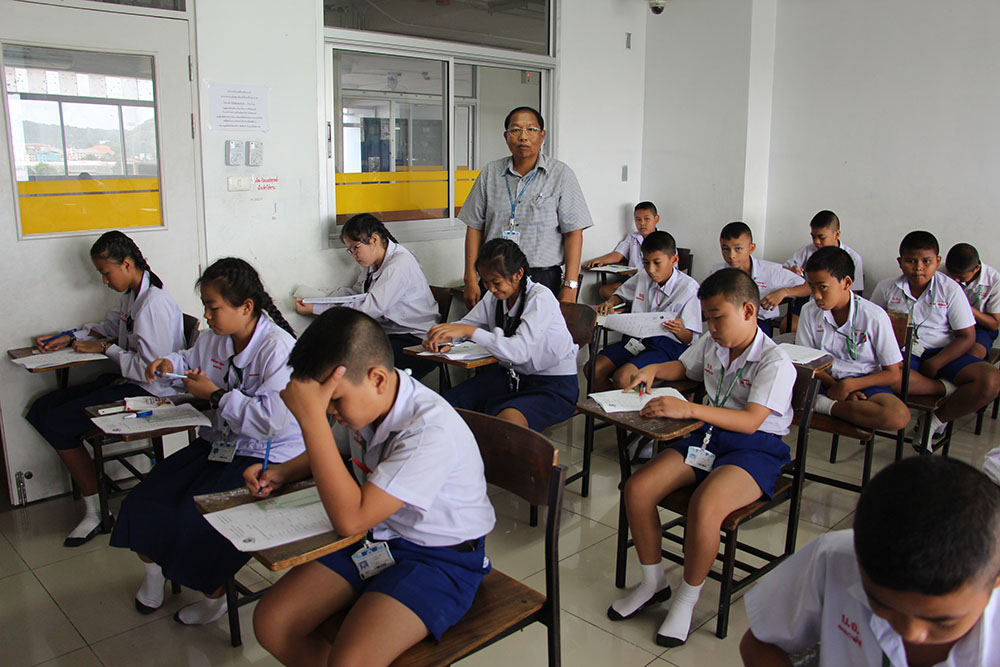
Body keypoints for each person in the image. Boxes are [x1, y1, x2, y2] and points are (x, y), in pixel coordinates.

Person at [247, 308, 496, 666]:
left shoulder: (428, 432)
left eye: (334, 400)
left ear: (377, 378)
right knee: (273, 622)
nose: (330, 411)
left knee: (350, 661)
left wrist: (311, 420)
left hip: (440, 556)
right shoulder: (366, 405)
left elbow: (351, 519)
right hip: (378, 537)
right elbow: (336, 451)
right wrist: (283, 472)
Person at [109, 257, 302, 626]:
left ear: (246, 307)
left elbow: (270, 422)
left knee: (194, 520)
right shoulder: (215, 338)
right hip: (219, 443)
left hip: (266, 455)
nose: (207, 316)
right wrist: (169, 364)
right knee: (142, 501)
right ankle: (153, 575)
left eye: (213, 308)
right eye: (205, 307)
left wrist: (215, 396)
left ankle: (214, 597)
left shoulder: (278, 349)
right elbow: (189, 360)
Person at [609, 268, 796, 647]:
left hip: (755, 446)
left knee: (705, 506)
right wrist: (652, 369)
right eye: (707, 317)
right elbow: (685, 367)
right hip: (709, 437)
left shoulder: (775, 362)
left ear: (748, 311)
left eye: (717, 317)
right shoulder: (714, 342)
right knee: (638, 488)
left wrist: (689, 410)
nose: (710, 327)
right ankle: (653, 582)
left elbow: (751, 421)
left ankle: (686, 599)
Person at [740, 456, 1000, 667]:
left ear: (996, 579)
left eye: (944, 622)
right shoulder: (836, 558)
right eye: (880, 604)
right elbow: (760, 643)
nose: (910, 633)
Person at [26, 230, 184, 547]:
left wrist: (106, 349)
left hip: (152, 395)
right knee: (40, 409)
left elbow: (153, 371)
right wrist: (70, 336)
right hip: (129, 383)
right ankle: (95, 501)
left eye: (105, 272)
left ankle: (96, 511)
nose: (104, 280)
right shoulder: (133, 295)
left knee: (57, 420)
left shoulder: (153, 305)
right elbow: (111, 327)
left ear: (126, 264)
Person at [424, 238, 579, 432]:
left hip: (552, 386)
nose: (490, 288)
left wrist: (468, 331)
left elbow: (519, 352)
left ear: (518, 274)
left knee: (508, 422)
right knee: (449, 404)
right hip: (512, 378)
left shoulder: (541, 298)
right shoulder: (494, 296)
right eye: (485, 282)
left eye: (496, 282)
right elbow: (467, 324)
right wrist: (443, 336)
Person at [870, 231, 1000, 450]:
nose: (918, 268)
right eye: (911, 261)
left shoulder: (951, 289)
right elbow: (872, 327)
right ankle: (945, 388)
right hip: (903, 352)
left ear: (938, 262)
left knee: (991, 381)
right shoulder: (886, 288)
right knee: (882, 376)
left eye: (926, 261)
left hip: (944, 351)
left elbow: (967, 336)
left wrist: (937, 362)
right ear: (900, 262)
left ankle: (934, 421)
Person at [459, 106, 593, 308]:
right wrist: (470, 276)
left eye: (531, 129)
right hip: (494, 278)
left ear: (542, 135)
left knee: (537, 328)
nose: (523, 137)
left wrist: (570, 285)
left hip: (542, 277)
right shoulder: (490, 173)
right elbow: (474, 227)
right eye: (515, 130)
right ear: (506, 136)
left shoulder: (561, 175)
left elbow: (574, 233)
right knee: (493, 328)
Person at [295, 213, 439, 379]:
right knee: (335, 348)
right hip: (391, 334)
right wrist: (319, 300)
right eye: (350, 250)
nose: (353, 254)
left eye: (355, 248)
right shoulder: (372, 264)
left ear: (374, 240)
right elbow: (356, 294)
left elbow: (370, 309)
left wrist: (318, 309)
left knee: (353, 361)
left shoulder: (399, 265)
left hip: (415, 340)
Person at [798, 246, 910, 431]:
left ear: (847, 283)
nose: (816, 295)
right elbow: (807, 363)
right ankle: (831, 404)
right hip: (823, 379)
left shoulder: (874, 316)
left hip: (864, 381)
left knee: (897, 416)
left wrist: (849, 386)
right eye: (812, 287)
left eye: (823, 287)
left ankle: (820, 404)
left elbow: (892, 374)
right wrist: (836, 387)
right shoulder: (808, 311)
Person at [589, 230, 702, 392]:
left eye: (657, 263)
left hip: (667, 346)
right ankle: (612, 406)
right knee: (593, 369)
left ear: (674, 260)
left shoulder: (689, 289)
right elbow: (621, 294)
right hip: (638, 339)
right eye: (645, 262)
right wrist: (611, 302)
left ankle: (634, 407)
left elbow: (689, 339)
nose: (651, 269)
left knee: (623, 378)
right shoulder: (643, 276)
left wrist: (679, 330)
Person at [710, 222, 808, 337]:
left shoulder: (771, 271)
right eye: (725, 249)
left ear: (751, 248)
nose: (731, 255)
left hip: (758, 322)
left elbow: (808, 287)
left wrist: (783, 292)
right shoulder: (718, 272)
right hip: (726, 321)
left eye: (738, 249)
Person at [782, 210, 866, 332]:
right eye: (813, 236)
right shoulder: (807, 250)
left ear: (836, 234)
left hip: (837, 302)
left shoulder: (852, 258)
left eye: (821, 237)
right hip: (807, 299)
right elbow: (783, 269)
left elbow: (853, 292)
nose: (816, 241)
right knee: (788, 326)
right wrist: (792, 270)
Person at [584, 201, 661, 300]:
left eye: (646, 219)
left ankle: (637, 302)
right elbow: (618, 255)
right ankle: (636, 302)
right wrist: (600, 260)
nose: (642, 223)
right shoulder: (632, 237)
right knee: (605, 290)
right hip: (632, 279)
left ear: (656, 219)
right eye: (638, 219)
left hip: (652, 281)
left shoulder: (663, 240)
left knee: (649, 295)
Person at [944, 242, 1000, 359]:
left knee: (972, 356)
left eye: (960, 278)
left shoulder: (994, 281)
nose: (955, 280)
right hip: (947, 321)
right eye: (952, 275)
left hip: (979, 326)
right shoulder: (941, 272)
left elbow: (994, 324)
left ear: (977, 268)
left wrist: (965, 307)